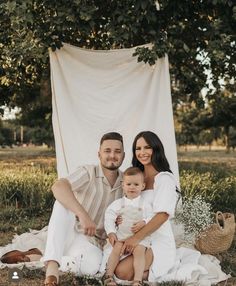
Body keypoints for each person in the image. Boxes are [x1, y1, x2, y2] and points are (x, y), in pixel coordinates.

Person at [43, 132, 125, 286]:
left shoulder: (126, 182)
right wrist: (83, 215)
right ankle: (52, 269)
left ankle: (41, 256)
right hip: (70, 231)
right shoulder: (88, 172)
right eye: (107, 151)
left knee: (90, 269)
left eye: (117, 151)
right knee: (61, 203)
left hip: (93, 242)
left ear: (123, 156)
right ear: (99, 154)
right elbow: (58, 186)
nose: (112, 155)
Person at [112, 131, 179, 283]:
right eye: (138, 148)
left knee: (122, 272)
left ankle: (151, 272)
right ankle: (143, 271)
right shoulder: (136, 177)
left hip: (156, 238)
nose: (142, 152)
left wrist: (136, 239)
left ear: (156, 149)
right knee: (112, 264)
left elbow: (162, 216)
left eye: (147, 147)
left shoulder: (164, 179)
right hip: (132, 234)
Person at [103, 167, 152, 286]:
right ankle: (108, 276)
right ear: (123, 185)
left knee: (139, 252)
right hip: (123, 235)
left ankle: (137, 280)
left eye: (136, 184)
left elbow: (152, 216)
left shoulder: (145, 204)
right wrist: (111, 232)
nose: (132, 187)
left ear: (143, 186)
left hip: (139, 238)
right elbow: (109, 217)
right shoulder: (118, 204)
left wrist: (144, 222)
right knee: (116, 249)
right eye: (128, 184)